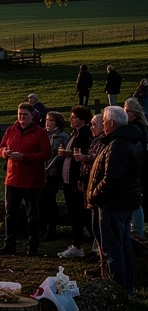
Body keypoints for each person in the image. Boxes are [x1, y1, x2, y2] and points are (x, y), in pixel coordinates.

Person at [86, 106, 143, 295]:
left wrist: (94, 194)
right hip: (126, 202)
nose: (103, 126)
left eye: (104, 122)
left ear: (111, 123)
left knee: (113, 250)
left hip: (114, 204)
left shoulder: (118, 144)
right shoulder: (131, 140)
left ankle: (116, 291)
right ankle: (127, 290)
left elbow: (112, 179)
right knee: (123, 246)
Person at [0, 102, 51, 256]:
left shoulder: (40, 132)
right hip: (12, 177)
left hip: (31, 179)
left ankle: (33, 246)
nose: (21, 118)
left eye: (25, 115)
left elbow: (46, 154)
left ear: (32, 115)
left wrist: (25, 157)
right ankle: (9, 243)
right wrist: (4, 153)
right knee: (10, 212)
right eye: (19, 114)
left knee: (32, 214)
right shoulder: (11, 130)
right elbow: (0, 146)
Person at [58, 106, 94, 259]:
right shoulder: (75, 133)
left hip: (77, 180)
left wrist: (70, 154)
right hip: (69, 179)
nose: (71, 119)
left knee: (83, 214)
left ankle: (91, 245)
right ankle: (77, 244)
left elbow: (86, 155)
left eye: (74, 117)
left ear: (82, 120)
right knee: (74, 213)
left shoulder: (86, 135)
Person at [39, 111, 70, 249]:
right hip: (41, 171)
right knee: (40, 200)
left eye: (50, 120)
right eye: (46, 120)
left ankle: (51, 229)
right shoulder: (44, 134)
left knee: (49, 200)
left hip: (53, 173)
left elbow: (60, 155)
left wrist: (49, 168)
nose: (48, 122)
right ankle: (42, 228)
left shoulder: (62, 137)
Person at [123, 97, 148, 242]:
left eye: (127, 111)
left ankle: (137, 230)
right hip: (139, 166)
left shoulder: (136, 127)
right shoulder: (140, 125)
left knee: (136, 201)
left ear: (133, 112)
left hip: (138, 167)